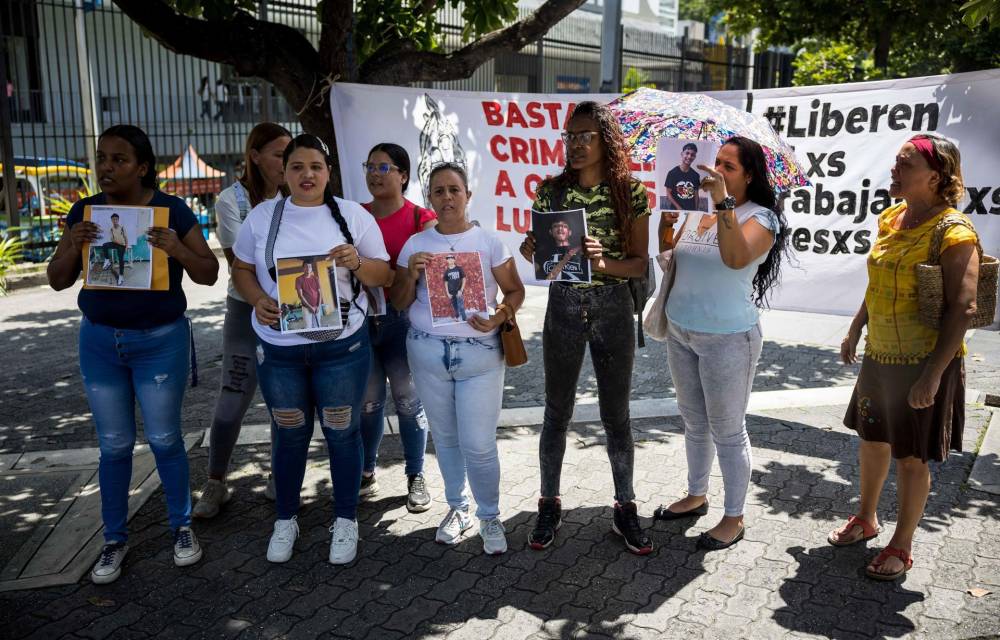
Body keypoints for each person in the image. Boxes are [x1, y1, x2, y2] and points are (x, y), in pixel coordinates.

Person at [46, 124, 219, 584]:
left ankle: (181, 528)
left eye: (119, 159)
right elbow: (57, 279)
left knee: (165, 439)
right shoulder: (85, 212)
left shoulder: (171, 210)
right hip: (101, 342)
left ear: (143, 167)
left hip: (159, 341)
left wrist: (177, 248)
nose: (106, 167)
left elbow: (208, 273)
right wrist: (72, 243)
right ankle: (114, 539)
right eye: (102, 158)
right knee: (115, 445)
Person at [231, 134, 392, 565]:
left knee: (342, 432)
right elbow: (242, 267)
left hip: (341, 348)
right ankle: (286, 518)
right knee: (289, 432)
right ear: (283, 172)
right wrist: (256, 299)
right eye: (297, 166)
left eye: (316, 167)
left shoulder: (353, 216)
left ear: (328, 172)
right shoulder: (264, 216)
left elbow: (384, 276)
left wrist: (357, 262)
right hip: (280, 350)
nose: (307, 175)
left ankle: (345, 520)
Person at [830, 134, 979, 581]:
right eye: (895, 162)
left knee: (911, 457)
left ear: (935, 177)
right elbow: (878, 281)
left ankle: (902, 543)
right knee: (872, 440)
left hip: (923, 362)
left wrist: (933, 376)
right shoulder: (892, 216)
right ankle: (867, 518)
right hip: (881, 356)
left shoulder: (954, 231)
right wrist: (857, 326)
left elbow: (964, 308)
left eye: (904, 164)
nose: (894, 170)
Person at [519, 101, 652, 555]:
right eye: (569, 137)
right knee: (557, 412)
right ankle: (548, 502)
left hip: (613, 307)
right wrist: (531, 249)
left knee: (617, 416)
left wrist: (604, 261)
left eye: (585, 136)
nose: (575, 145)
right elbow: (544, 263)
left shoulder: (630, 193)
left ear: (605, 141)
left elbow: (638, 265)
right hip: (563, 307)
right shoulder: (550, 192)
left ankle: (625, 506)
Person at [653, 137, 788, 551]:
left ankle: (734, 516)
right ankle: (696, 494)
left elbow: (735, 258)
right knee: (693, 421)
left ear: (749, 175)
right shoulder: (698, 212)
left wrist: (724, 203)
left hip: (728, 339)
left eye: (729, 167)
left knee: (728, 430)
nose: (716, 173)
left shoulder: (762, 218)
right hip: (681, 330)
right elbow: (672, 256)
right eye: (718, 163)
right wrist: (666, 226)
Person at [393, 162, 525, 555]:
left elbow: (515, 292)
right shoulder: (416, 245)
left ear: (468, 195)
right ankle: (458, 508)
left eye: (454, 190)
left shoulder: (489, 241)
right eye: (439, 191)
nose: (447, 197)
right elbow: (398, 303)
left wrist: (499, 316)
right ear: (429, 198)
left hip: (480, 354)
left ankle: (489, 515)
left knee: (479, 444)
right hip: (427, 350)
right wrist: (409, 275)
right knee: (446, 439)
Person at [194, 122, 291, 519]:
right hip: (245, 310)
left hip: (291, 310)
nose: (286, 163)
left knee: (284, 399)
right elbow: (240, 264)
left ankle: (280, 475)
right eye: (278, 154)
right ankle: (216, 482)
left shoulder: (299, 196)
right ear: (255, 156)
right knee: (233, 396)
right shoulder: (231, 200)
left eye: (290, 154)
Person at [359, 143, 436, 510]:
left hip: (403, 321)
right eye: (370, 167)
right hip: (360, 322)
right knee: (369, 402)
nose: (375, 174)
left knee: (408, 401)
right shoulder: (354, 215)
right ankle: (366, 470)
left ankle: (415, 475)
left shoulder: (422, 218)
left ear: (403, 176)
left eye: (384, 167)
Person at [664, 142, 701, 211]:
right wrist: (679, 209)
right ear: (682, 154)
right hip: (676, 211)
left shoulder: (696, 175)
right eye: (687, 153)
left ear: (694, 157)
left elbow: (696, 195)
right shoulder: (672, 173)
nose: (689, 156)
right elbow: (668, 194)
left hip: (691, 211)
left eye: (692, 155)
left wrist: (696, 210)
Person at [99, 213, 128, 286]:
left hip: (122, 245)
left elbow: (126, 237)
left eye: (116, 219)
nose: (115, 221)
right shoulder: (111, 229)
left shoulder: (122, 228)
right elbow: (112, 239)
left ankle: (121, 276)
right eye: (113, 219)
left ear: (118, 220)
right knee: (104, 245)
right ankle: (107, 260)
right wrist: (117, 242)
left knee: (121, 260)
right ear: (111, 220)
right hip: (116, 244)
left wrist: (126, 246)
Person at [295, 259, 323, 328]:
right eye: (306, 266)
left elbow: (320, 293)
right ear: (303, 268)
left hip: (317, 307)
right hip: (306, 308)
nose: (308, 268)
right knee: (308, 327)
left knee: (317, 325)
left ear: (311, 268)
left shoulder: (316, 278)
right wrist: (310, 307)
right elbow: (300, 295)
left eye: (310, 267)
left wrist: (319, 306)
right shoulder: (299, 279)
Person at [443, 254, 466, 321]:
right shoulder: (446, 271)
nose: (450, 259)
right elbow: (446, 282)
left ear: (454, 259)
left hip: (459, 291)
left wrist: (461, 290)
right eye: (448, 258)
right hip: (451, 292)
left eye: (451, 258)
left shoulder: (459, 268)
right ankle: (457, 317)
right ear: (447, 260)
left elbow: (464, 279)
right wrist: (447, 293)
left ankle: (464, 319)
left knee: (461, 306)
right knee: (455, 306)